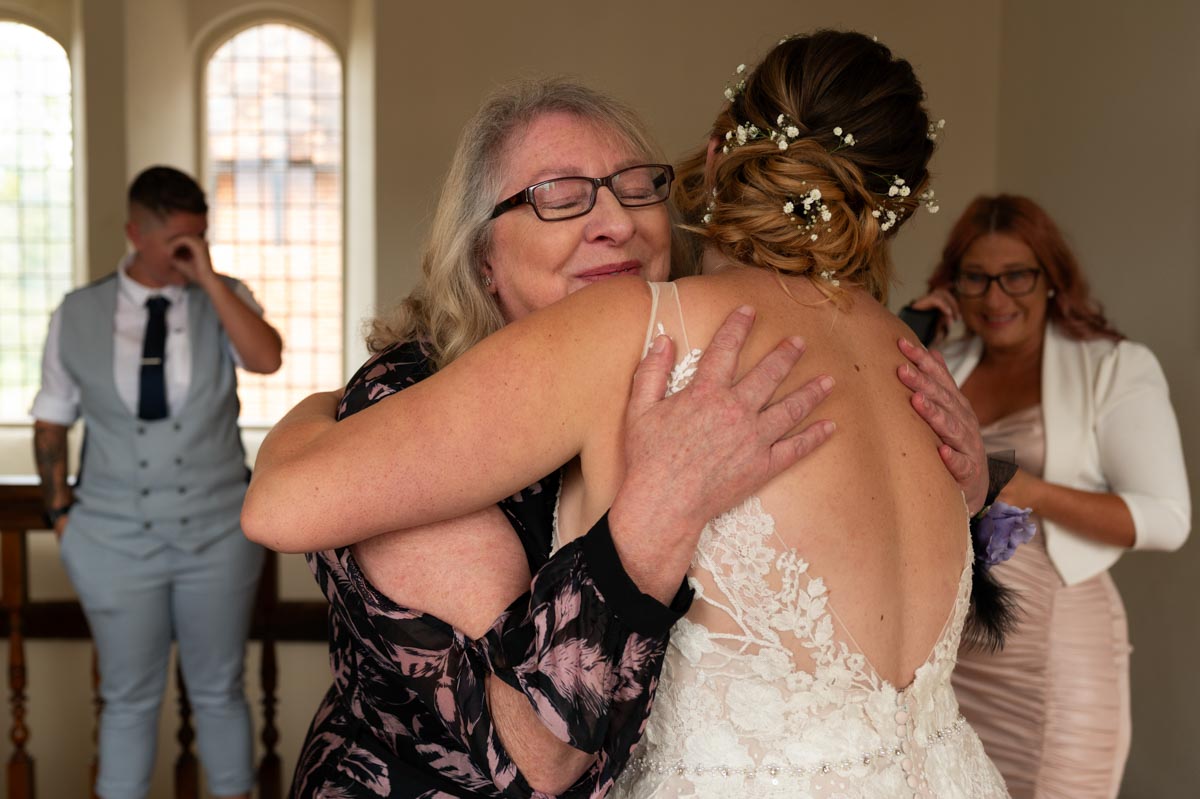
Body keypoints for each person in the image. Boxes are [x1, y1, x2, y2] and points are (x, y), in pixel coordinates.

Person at [245, 32, 1012, 797]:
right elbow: (538, 756)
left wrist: (969, 495)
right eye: (559, 195)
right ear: (482, 257)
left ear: (703, 171)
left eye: (635, 186)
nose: (613, 220)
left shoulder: (678, 348)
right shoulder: (408, 395)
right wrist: (319, 408)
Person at [907, 194, 1191, 798]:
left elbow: (1167, 520)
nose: (996, 298)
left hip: (1057, 657)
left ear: (1052, 280)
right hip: (955, 660)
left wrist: (1016, 483)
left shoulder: (1113, 367)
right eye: (976, 278)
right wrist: (908, 331)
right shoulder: (944, 362)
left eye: (1016, 276)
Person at [31, 165, 281, 799]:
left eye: (196, 239)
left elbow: (266, 358)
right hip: (111, 540)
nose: (186, 252)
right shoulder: (77, 314)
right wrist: (62, 517)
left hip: (219, 534)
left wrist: (208, 278)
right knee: (127, 698)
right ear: (134, 233)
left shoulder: (224, 296)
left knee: (221, 691)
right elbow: (52, 422)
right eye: (175, 241)